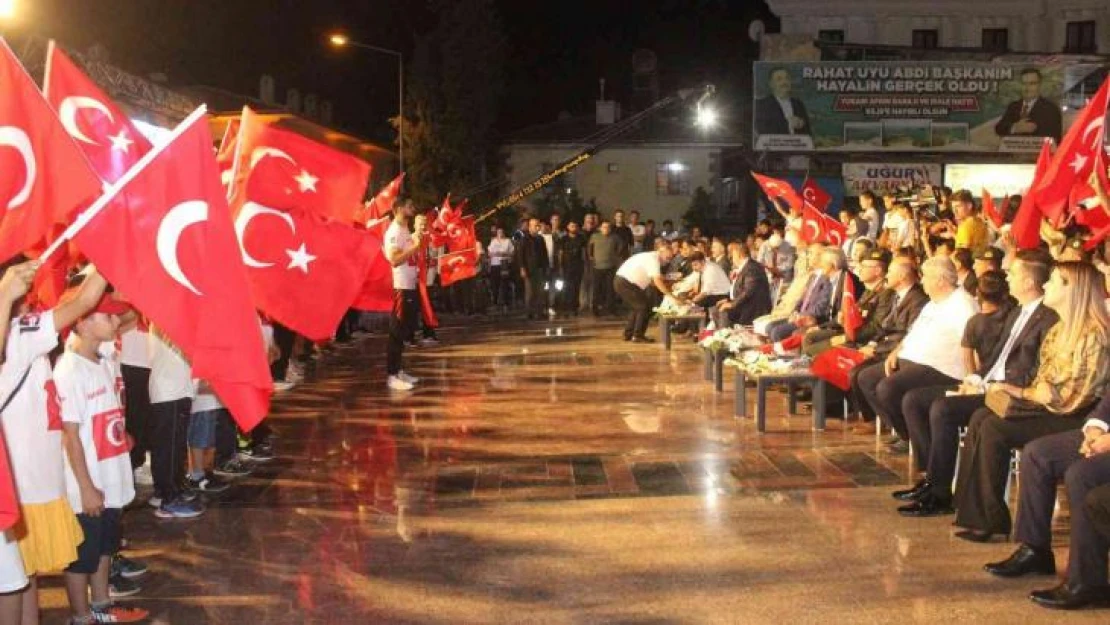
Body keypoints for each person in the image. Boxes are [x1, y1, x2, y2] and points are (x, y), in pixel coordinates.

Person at [953, 261, 1110, 542]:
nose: (1046, 285)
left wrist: (1024, 393)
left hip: (1073, 415)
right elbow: (1044, 382)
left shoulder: (1093, 335)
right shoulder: (1059, 330)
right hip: (1050, 406)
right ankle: (976, 514)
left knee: (994, 428)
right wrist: (1029, 392)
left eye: (1053, 280)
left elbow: (1071, 398)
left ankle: (994, 521)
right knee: (981, 417)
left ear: (1073, 290)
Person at [896, 251, 1057, 516]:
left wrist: (989, 386)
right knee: (915, 400)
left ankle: (940, 494)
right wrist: (975, 379)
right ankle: (932, 480)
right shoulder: (1017, 312)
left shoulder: (1047, 318)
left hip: (1010, 392)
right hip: (989, 381)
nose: (1007, 276)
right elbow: (996, 356)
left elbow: (1035, 368)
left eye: (1013, 273)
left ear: (1029, 282)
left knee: (943, 409)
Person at [57, 293, 150, 625]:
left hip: (111, 474)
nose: (115, 322)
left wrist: (120, 434)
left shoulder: (103, 358)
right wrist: (86, 487)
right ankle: (81, 616)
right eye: (106, 316)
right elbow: (70, 433)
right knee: (82, 556)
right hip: (90, 482)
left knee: (105, 548)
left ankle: (101, 605)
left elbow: (127, 316)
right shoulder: (69, 368)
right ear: (81, 322)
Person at [981, 401, 1110, 609]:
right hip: (1104, 434)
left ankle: (1087, 581)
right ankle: (1035, 550)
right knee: (1038, 454)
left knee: (1081, 475)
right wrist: (1095, 428)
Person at [855, 257, 978, 449]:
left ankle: (913, 438)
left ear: (940, 280)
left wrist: (971, 377)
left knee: (888, 388)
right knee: (866, 378)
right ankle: (906, 432)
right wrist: (896, 351)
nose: (921, 281)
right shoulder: (932, 303)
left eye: (926, 277)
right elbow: (913, 332)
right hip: (911, 358)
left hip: (940, 367)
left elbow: (971, 344)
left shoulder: (963, 304)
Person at [803, 248, 895, 356]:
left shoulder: (886, 294)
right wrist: (828, 324)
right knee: (809, 338)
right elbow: (853, 313)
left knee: (813, 348)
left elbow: (876, 327)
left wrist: (847, 336)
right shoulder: (869, 290)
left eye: (864, 266)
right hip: (851, 332)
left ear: (877, 271)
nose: (859, 269)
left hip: (861, 339)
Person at [383, 198, 424, 391]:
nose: (412, 208)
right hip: (399, 286)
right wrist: (415, 247)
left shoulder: (405, 229)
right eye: (409, 206)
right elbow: (394, 259)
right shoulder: (394, 231)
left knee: (404, 331)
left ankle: (399, 370)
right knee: (396, 332)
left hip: (409, 285)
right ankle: (392, 375)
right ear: (399, 209)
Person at [613, 241, 678, 342]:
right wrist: (670, 295)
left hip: (624, 281)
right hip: (626, 282)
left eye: (670, 258)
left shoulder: (651, 257)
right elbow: (656, 281)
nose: (668, 261)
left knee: (637, 308)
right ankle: (638, 335)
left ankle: (628, 333)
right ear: (661, 252)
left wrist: (666, 285)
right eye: (667, 257)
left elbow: (653, 281)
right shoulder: (654, 260)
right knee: (643, 307)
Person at [994, 67, 1063, 144]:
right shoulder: (1013, 106)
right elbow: (999, 128)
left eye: (1032, 83)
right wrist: (1015, 128)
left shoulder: (1051, 109)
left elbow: (1054, 137)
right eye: (1024, 84)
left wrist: (1030, 130)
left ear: (1039, 85)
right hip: (1014, 153)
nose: (1027, 88)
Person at [714, 242, 773, 328]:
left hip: (753, 308)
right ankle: (723, 336)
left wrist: (732, 304)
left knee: (724, 311)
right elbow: (739, 290)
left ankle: (726, 337)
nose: (731, 258)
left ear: (739, 254)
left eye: (733, 255)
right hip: (747, 304)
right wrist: (728, 300)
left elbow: (748, 291)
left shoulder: (752, 268)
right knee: (717, 308)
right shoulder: (746, 267)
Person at [754, 66, 811, 136]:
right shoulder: (761, 105)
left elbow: (808, 133)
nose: (784, 82)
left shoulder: (799, 104)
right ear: (771, 84)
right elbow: (763, 130)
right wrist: (788, 123)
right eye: (779, 79)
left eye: (787, 78)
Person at [587, 221, 622, 316]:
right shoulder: (595, 236)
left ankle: (611, 309)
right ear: (600, 228)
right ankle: (595, 309)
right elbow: (589, 247)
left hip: (610, 266)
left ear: (610, 228)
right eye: (604, 227)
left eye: (608, 227)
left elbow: (620, 247)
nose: (606, 228)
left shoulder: (615, 237)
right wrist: (591, 256)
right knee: (596, 289)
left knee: (610, 289)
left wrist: (616, 257)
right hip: (597, 266)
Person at [558, 221, 587, 316]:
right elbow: (560, 253)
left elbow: (583, 252)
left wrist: (584, 265)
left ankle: (574, 308)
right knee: (567, 287)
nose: (573, 227)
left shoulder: (581, 238)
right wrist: (560, 266)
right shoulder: (563, 239)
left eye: (575, 226)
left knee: (576, 287)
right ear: (568, 227)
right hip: (566, 266)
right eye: (571, 226)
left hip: (578, 266)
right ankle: (566, 308)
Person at [487, 227, 515, 310]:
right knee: (495, 284)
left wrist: (505, 254)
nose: (500, 233)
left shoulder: (508, 241)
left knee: (505, 284)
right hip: (495, 264)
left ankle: (506, 303)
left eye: (501, 232)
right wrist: (496, 254)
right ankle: (495, 302)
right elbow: (489, 253)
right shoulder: (493, 241)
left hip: (504, 264)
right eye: (498, 232)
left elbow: (512, 252)